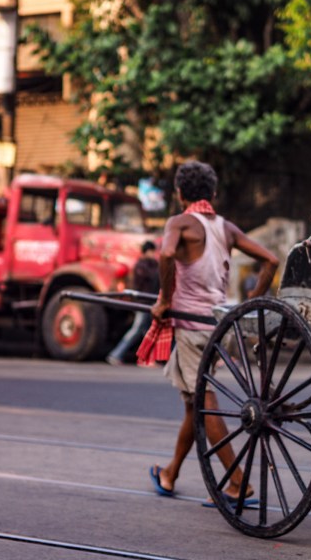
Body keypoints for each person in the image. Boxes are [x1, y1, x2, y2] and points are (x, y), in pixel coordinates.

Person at [145, 160, 279, 502]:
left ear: (178, 194)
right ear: (213, 193)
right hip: (221, 325)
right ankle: (171, 473)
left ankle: (238, 481)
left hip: (191, 327)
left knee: (204, 401)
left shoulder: (179, 222)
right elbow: (272, 261)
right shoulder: (227, 228)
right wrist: (252, 299)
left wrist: (164, 300)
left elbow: (165, 254)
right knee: (193, 404)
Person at [106, 240, 160, 366]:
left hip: (149, 302)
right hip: (142, 302)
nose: (153, 254)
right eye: (152, 251)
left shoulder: (151, 265)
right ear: (146, 252)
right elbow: (150, 280)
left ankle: (144, 358)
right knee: (138, 330)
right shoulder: (142, 266)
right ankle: (116, 354)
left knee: (146, 331)